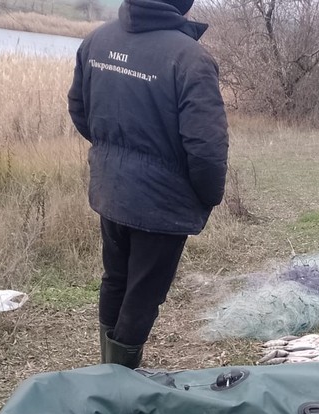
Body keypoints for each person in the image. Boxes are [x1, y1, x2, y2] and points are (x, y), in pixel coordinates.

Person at [68, 0, 229, 368]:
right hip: (162, 205)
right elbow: (206, 147)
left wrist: (112, 153)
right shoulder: (191, 59)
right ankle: (119, 380)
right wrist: (207, 196)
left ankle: (108, 369)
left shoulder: (96, 40)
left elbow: (79, 108)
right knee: (142, 295)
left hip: (111, 191)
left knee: (116, 278)